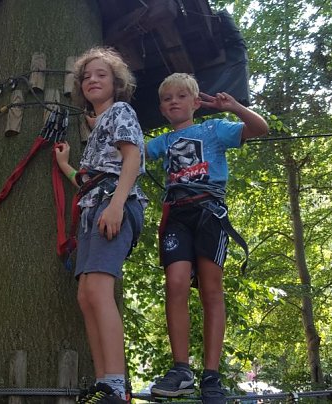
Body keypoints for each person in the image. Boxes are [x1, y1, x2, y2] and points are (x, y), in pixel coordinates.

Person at [145, 73, 268, 404]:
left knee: (212, 290)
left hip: (209, 213)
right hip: (177, 215)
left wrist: (234, 106)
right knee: (176, 284)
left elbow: (260, 129)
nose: (174, 101)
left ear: (196, 103)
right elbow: (129, 155)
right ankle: (181, 369)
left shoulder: (215, 129)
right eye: (167, 98)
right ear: (161, 107)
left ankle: (211, 376)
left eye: (181, 96)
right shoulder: (160, 142)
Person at [54, 46, 147, 404]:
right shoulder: (97, 130)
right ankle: (104, 382)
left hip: (113, 204)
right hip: (95, 206)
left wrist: (118, 205)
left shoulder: (121, 111)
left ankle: (116, 385)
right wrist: (65, 164)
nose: (92, 79)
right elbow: (85, 181)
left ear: (116, 83)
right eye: (86, 76)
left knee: (99, 291)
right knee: (85, 294)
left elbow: (133, 156)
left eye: (101, 74)